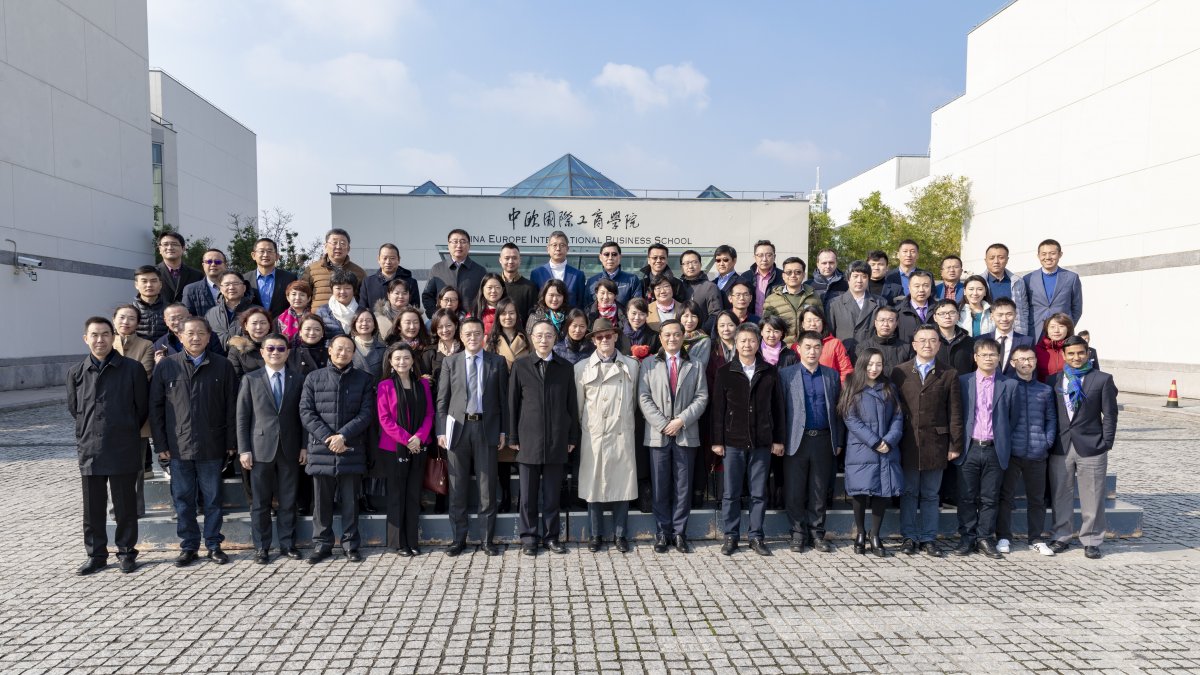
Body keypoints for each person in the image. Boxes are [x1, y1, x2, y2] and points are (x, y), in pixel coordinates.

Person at [149, 317, 237, 567]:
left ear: (209, 337)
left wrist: (231, 442)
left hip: (212, 444)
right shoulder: (167, 366)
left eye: (201, 333)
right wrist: (161, 444)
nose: (195, 338)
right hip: (178, 446)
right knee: (183, 500)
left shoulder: (222, 365)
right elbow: (155, 408)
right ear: (180, 337)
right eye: (190, 333)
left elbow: (232, 406)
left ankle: (213, 544)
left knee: (213, 499)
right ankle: (188, 546)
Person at [69, 317, 149, 575]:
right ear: (86, 339)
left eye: (105, 334)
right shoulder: (76, 372)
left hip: (122, 445)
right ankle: (96, 555)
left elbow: (141, 408)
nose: (100, 340)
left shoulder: (132, 369)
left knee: (125, 505)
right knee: (92, 507)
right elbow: (74, 409)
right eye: (94, 335)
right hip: (90, 447)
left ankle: (126, 552)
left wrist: (124, 428)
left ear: (113, 337)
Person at [299, 334, 375, 564]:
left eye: (349, 349)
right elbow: (306, 412)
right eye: (339, 348)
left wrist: (343, 436)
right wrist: (328, 438)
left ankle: (350, 544)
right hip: (321, 449)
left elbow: (366, 413)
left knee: (351, 500)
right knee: (321, 502)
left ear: (354, 353)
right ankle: (322, 544)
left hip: (351, 447)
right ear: (330, 350)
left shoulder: (364, 379)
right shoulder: (314, 378)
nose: (343, 353)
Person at [711, 323, 786, 556]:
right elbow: (718, 410)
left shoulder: (769, 371)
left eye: (752, 340)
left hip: (762, 441)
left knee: (758, 493)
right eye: (743, 340)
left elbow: (778, 408)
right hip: (733, 441)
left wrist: (778, 439)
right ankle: (731, 536)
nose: (747, 345)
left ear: (758, 343)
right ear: (736, 343)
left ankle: (756, 536)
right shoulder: (725, 372)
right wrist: (717, 441)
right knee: (731, 493)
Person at [437, 318, 509, 556]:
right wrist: (441, 431)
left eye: (477, 333)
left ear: (484, 336)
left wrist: (503, 430)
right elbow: (442, 400)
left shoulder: (497, 362)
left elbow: (503, 400)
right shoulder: (450, 362)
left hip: (486, 429)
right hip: (457, 430)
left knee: (487, 488)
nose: (472, 338)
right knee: (457, 487)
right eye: (467, 334)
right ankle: (458, 539)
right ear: (461, 336)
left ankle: (487, 540)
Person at [509, 321, 581, 555]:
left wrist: (572, 436)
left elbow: (572, 405)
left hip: (557, 439)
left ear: (555, 338)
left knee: (552, 495)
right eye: (539, 335)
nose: (543, 340)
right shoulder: (520, 365)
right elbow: (512, 404)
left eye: (548, 335)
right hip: (528, 439)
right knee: (528, 496)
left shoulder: (565, 367)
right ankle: (529, 538)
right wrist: (512, 436)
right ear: (532, 338)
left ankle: (551, 537)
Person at [891, 325, 963, 557]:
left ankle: (929, 538)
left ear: (939, 345)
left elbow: (955, 412)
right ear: (914, 345)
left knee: (931, 494)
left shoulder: (949, 373)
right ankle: (909, 536)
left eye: (932, 340)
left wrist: (955, 445)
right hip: (908, 442)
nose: (927, 344)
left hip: (936, 443)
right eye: (922, 340)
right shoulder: (899, 372)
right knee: (909, 493)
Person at [638, 320, 709, 554]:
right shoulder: (648, 364)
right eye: (667, 335)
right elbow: (643, 397)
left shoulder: (695, 364)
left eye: (676, 334)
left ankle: (679, 532)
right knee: (660, 485)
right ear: (660, 338)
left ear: (683, 337)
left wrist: (681, 421)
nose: (672, 339)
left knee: (683, 486)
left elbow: (702, 397)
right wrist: (663, 424)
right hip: (657, 435)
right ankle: (662, 532)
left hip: (685, 433)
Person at [235, 333, 305, 564]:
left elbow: (304, 416)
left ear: (288, 352)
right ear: (262, 352)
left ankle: (287, 544)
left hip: (290, 447)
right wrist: (244, 449)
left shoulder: (298, 378)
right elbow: (242, 417)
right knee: (260, 502)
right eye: (271, 348)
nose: (276, 352)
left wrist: (304, 446)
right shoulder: (250, 379)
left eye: (281, 349)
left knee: (288, 500)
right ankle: (262, 547)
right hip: (259, 449)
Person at [1046, 336, 1118, 560]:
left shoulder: (1102, 379)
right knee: (1061, 494)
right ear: (1064, 355)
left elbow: (1110, 414)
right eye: (1071, 353)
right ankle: (1061, 536)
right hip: (1061, 445)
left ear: (1088, 354)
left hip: (1092, 446)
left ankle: (1092, 540)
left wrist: (1106, 443)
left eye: (1080, 353)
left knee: (1093, 495)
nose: (1076, 357)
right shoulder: (1054, 380)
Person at [575, 318, 639, 553]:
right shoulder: (581, 368)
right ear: (593, 340)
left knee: (623, 484)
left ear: (615, 337)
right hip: (595, 434)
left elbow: (634, 401)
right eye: (599, 337)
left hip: (621, 432)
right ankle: (595, 534)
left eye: (608, 335)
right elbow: (579, 406)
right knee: (593, 485)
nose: (604, 340)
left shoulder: (631, 366)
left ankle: (620, 534)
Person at [952, 338, 1019, 559]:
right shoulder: (963, 382)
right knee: (966, 496)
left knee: (990, 498)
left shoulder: (1009, 385)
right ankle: (967, 537)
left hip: (994, 448)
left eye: (993, 355)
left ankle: (984, 538)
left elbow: (1013, 419)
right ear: (975, 357)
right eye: (984, 354)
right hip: (969, 447)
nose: (988, 358)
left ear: (999, 358)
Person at [779, 330, 845, 553]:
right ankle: (798, 533)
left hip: (824, 439)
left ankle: (817, 533)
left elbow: (838, 410)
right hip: (795, 440)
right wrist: (779, 440)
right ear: (798, 348)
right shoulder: (786, 375)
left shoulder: (831, 375)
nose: (812, 351)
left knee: (819, 489)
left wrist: (839, 440)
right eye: (807, 347)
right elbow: (780, 411)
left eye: (817, 347)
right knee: (795, 490)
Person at [839, 348, 903, 557]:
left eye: (878, 364)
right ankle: (860, 532)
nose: (874, 369)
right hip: (861, 449)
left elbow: (898, 417)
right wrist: (875, 441)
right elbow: (850, 418)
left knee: (881, 492)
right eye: (870, 364)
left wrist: (889, 440)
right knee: (859, 492)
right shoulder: (851, 385)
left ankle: (875, 534)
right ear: (862, 364)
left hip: (886, 448)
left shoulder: (889, 387)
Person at [996, 345, 1058, 556]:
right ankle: (1003, 536)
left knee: (1037, 499)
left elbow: (1051, 419)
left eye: (1030, 358)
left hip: (1037, 452)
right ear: (1013, 363)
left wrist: (1047, 441)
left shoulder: (1045, 390)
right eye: (1021, 359)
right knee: (1005, 497)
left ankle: (1036, 538)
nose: (1026, 363)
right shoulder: (1005, 386)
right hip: (1012, 452)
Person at [376, 343, 433, 556]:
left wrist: (419, 437)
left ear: (412, 361)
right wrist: (407, 439)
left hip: (419, 446)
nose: (402, 362)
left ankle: (412, 540)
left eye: (406, 358)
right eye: (397, 358)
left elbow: (429, 414)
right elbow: (384, 419)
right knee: (397, 494)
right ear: (390, 362)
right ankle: (398, 543)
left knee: (413, 493)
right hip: (393, 448)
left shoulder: (423, 384)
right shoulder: (385, 386)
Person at [112, 304, 155, 492]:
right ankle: (116, 505)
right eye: (121, 317)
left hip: (137, 415)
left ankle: (136, 506)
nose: (126, 322)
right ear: (114, 320)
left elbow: (143, 375)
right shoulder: (105, 342)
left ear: (137, 323)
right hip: (110, 417)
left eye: (131, 318)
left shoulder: (146, 345)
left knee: (137, 468)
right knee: (112, 468)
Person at [1026, 238, 1083, 340]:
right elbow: (1024, 308)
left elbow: (1077, 308)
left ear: (1060, 254)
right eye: (1044, 254)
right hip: (1035, 332)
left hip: (1062, 334)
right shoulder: (1028, 279)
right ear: (1038, 256)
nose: (1048, 257)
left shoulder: (1072, 278)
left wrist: (1067, 327)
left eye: (1052, 253)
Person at [826, 261, 887, 353]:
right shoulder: (834, 304)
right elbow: (829, 335)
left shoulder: (880, 302)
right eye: (855, 276)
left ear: (868, 279)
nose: (859, 280)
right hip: (844, 355)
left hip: (871, 355)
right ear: (848, 279)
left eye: (864, 277)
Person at [423, 229, 487, 317]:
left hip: (470, 321)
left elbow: (485, 298)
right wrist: (435, 315)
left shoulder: (480, 271)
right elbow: (427, 296)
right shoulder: (437, 269)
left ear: (469, 245)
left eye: (463, 242)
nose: (459, 245)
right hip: (443, 321)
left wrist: (477, 316)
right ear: (448, 245)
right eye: (455, 241)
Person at [301, 228, 367, 310]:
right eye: (334, 243)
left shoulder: (359, 272)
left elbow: (364, 301)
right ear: (326, 246)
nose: (338, 247)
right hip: (318, 317)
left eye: (342, 243)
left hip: (349, 317)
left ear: (348, 248)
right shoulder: (311, 270)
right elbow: (302, 295)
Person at [761, 256, 821, 345]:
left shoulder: (814, 297)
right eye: (789, 272)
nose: (793, 275)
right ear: (783, 276)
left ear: (803, 275)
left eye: (798, 272)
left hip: (808, 348)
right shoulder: (771, 300)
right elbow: (766, 328)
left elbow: (821, 324)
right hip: (782, 349)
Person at [982, 243, 1031, 335]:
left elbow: (1024, 309)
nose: (996, 261)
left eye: (1001, 257)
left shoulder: (1017, 281)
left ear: (1007, 260)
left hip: (1014, 333)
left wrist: (1023, 331)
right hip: (988, 332)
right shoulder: (979, 282)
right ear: (986, 260)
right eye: (992, 258)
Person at [530, 230, 586, 309]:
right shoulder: (537, 274)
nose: (558, 249)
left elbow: (580, 304)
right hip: (544, 316)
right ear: (548, 249)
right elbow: (534, 303)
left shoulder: (578, 275)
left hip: (570, 316)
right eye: (554, 245)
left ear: (567, 249)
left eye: (562, 245)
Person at [796, 306, 853, 381]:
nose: (813, 324)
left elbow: (846, 370)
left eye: (817, 320)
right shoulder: (796, 346)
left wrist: (837, 386)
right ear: (803, 324)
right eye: (809, 321)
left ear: (823, 322)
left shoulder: (835, 344)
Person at [979, 297, 1032, 376]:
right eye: (1000, 315)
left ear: (1015, 315)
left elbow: (1031, 371)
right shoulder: (981, 340)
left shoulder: (1027, 341)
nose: (1004, 319)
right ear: (992, 316)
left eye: (1009, 314)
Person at [245, 237, 298, 317]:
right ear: (253, 255)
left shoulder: (290, 278)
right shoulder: (245, 279)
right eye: (261, 251)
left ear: (277, 256)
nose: (266, 255)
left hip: (282, 323)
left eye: (269, 251)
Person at [358, 243, 417, 313]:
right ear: (378, 259)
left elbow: (415, 309)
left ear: (399, 259)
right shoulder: (368, 282)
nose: (388, 262)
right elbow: (363, 309)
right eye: (385, 258)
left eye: (392, 258)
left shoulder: (410, 282)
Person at [151, 302, 223, 359]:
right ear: (166, 321)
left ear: (190, 317)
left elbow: (219, 360)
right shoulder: (160, 344)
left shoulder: (208, 336)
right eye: (172, 319)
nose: (177, 322)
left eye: (181, 318)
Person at [204, 271, 255, 350]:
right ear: (221, 289)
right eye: (227, 284)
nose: (231, 287)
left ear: (244, 288)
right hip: (216, 356)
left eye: (236, 284)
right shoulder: (211, 314)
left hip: (245, 356)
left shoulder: (255, 312)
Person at [854, 306, 914, 372]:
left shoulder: (906, 348)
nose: (885, 324)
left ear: (896, 324)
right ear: (875, 323)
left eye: (890, 320)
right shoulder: (863, 347)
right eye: (882, 320)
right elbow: (860, 373)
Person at [586, 241, 643, 309]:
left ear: (620, 257)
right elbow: (586, 308)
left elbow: (637, 308)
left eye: (614, 254)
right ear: (600, 257)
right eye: (606, 254)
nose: (610, 258)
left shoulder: (632, 280)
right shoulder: (591, 282)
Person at [738, 239, 784, 316]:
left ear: (774, 257)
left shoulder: (783, 277)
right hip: (750, 320)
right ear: (754, 257)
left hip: (774, 320)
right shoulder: (745, 276)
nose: (764, 259)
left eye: (769, 255)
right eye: (760, 255)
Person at [155, 231, 203, 304]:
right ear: (160, 249)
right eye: (165, 244)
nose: (170, 248)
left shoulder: (197, 275)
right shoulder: (153, 273)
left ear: (183, 248)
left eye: (174, 244)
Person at [677, 249, 722, 327]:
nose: (690, 266)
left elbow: (715, 314)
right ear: (681, 267)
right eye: (687, 263)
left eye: (694, 262)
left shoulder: (710, 287)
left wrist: (702, 331)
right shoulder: (678, 287)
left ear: (700, 265)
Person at [226, 307, 272, 380]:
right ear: (246, 326)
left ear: (269, 325)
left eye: (263, 323)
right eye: (254, 323)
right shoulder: (237, 349)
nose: (259, 327)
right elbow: (234, 378)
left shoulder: (278, 347)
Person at [931, 298, 975, 375]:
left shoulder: (969, 342)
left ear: (958, 316)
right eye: (942, 313)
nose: (947, 316)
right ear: (935, 318)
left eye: (952, 312)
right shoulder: (929, 341)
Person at [182, 248, 230, 319]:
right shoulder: (191, 290)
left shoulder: (237, 286)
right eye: (209, 262)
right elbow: (187, 317)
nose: (213, 264)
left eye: (218, 262)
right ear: (203, 265)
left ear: (225, 265)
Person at [497, 242, 538, 323]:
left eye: (514, 258)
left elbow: (532, 317)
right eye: (507, 258)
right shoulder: (494, 285)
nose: (510, 261)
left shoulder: (529, 287)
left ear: (520, 260)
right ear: (500, 260)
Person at [423, 310, 462, 390]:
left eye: (448, 325)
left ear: (456, 325)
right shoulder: (430, 352)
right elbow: (423, 379)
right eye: (440, 327)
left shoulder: (465, 349)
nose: (444, 330)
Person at [314, 270, 360, 338]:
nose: (342, 292)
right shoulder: (322, 312)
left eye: (347, 288)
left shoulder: (361, 312)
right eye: (338, 288)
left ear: (354, 290)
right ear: (332, 290)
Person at [893, 270, 935, 344]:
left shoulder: (939, 310)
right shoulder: (897, 311)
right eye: (917, 286)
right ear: (909, 287)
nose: (921, 290)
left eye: (926, 286)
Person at [374, 277, 419, 344]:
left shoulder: (417, 316)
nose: (401, 296)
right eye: (397, 293)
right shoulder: (378, 317)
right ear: (388, 295)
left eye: (404, 293)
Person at [1035, 313, 1075, 383]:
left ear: (1068, 329)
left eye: (1061, 326)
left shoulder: (1075, 348)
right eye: (1052, 327)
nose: (1056, 330)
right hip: (1043, 388)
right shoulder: (1036, 350)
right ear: (1047, 329)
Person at [133, 265, 168, 342]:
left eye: (153, 281)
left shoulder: (170, 310)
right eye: (144, 281)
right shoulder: (130, 310)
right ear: (136, 285)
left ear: (160, 284)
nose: (149, 285)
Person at [349, 309, 386, 378]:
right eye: (360, 321)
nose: (364, 323)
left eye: (369, 321)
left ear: (374, 325)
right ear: (354, 324)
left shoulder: (383, 349)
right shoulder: (347, 346)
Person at [276, 280, 313, 346]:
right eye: (294, 294)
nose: (297, 298)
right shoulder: (279, 319)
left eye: (302, 295)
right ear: (288, 297)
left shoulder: (314, 317)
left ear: (309, 298)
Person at [679, 301, 712, 369]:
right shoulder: (674, 337)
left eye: (694, 316)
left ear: (698, 319)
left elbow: (701, 366)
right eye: (686, 316)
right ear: (679, 317)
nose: (690, 320)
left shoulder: (704, 340)